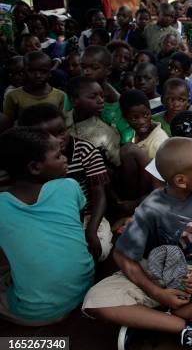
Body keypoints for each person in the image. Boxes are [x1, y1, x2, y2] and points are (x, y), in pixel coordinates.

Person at [82, 138, 192, 350]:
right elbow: (122, 257)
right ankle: (186, 328)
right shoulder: (151, 207)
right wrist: (157, 293)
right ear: (181, 181)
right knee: (96, 300)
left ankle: (159, 319)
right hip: (156, 271)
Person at [0, 127, 94, 326]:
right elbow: (76, 224)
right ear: (35, 167)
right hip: (86, 288)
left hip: (36, 313)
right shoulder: (69, 186)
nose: (65, 159)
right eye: (58, 155)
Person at [19, 104, 113, 262]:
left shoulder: (85, 151)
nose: (59, 139)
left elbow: (100, 196)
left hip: (88, 217)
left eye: (62, 132)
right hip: (49, 218)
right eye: (47, 135)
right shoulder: (30, 161)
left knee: (95, 251)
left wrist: (91, 231)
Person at [3, 51, 65, 124]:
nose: (38, 75)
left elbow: (65, 123)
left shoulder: (61, 96)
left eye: (43, 71)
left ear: (50, 73)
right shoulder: (13, 96)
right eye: (31, 71)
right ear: (24, 72)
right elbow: (7, 123)